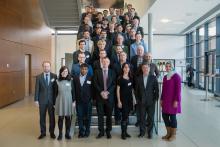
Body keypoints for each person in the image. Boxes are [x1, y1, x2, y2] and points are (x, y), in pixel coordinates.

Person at [93, 57, 116, 139]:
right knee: (100, 115)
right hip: (99, 97)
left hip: (109, 97)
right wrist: (101, 92)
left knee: (109, 116)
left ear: (109, 63)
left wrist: (107, 92)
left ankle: (108, 131)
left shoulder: (112, 72)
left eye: (107, 62)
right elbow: (95, 83)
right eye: (104, 61)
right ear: (101, 62)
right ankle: (101, 132)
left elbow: (114, 84)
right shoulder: (97, 72)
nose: (105, 63)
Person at [135, 62, 159, 139]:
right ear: (142, 69)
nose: (145, 69)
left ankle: (150, 133)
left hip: (151, 102)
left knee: (151, 118)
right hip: (141, 102)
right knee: (142, 118)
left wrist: (155, 99)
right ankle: (142, 132)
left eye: (147, 68)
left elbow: (157, 90)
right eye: (144, 68)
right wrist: (138, 100)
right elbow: (136, 91)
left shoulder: (153, 77)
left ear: (149, 69)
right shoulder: (138, 78)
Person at [34, 61, 57, 139]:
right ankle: (43, 133)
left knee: (52, 117)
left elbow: (55, 90)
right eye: (45, 66)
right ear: (42, 67)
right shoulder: (38, 77)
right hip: (42, 100)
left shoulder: (54, 76)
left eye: (48, 66)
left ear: (50, 67)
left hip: (51, 101)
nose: (46, 67)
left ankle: (52, 132)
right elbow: (37, 89)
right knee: (42, 117)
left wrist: (55, 101)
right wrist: (36, 100)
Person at [160, 62, 181, 141]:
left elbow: (178, 90)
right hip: (165, 100)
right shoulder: (165, 77)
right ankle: (168, 133)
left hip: (173, 100)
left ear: (172, 67)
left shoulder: (176, 76)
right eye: (166, 66)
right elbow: (163, 89)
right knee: (164, 116)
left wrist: (176, 101)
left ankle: (173, 135)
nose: (168, 68)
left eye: (169, 66)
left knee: (172, 117)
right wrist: (161, 99)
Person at [54, 66, 75, 140]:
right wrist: (54, 103)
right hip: (60, 101)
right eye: (63, 71)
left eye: (66, 71)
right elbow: (55, 93)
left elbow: (73, 92)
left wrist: (74, 101)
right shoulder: (57, 81)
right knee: (60, 118)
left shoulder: (71, 80)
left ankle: (67, 133)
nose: (65, 73)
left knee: (68, 118)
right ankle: (60, 134)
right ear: (61, 72)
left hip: (69, 101)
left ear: (68, 73)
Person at [73, 63, 93, 138]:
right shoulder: (75, 78)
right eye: (82, 69)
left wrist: (91, 99)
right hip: (79, 101)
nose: (84, 70)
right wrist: (74, 99)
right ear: (80, 69)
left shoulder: (91, 78)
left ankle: (87, 131)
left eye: (85, 69)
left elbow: (92, 90)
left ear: (87, 70)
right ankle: (81, 131)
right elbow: (74, 90)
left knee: (88, 117)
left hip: (88, 101)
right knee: (80, 117)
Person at [117, 63, 134, 140]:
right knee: (124, 117)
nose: (126, 68)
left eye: (128, 67)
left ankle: (126, 132)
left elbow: (132, 90)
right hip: (123, 100)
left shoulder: (131, 77)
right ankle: (123, 133)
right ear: (123, 68)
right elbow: (117, 90)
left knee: (127, 117)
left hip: (129, 100)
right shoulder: (120, 78)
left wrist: (134, 101)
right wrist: (119, 101)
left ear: (129, 69)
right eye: (125, 67)